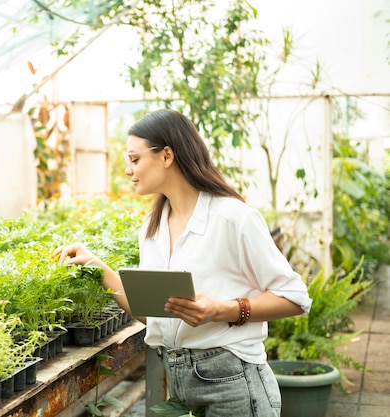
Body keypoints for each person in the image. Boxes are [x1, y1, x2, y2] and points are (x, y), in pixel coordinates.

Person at [53, 108, 312, 417]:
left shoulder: (233, 218)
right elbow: (156, 316)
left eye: (134, 159)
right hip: (180, 383)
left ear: (166, 156)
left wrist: (223, 309)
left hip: (233, 384)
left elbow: (295, 298)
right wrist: (98, 267)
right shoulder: (154, 226)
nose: (127, 170)